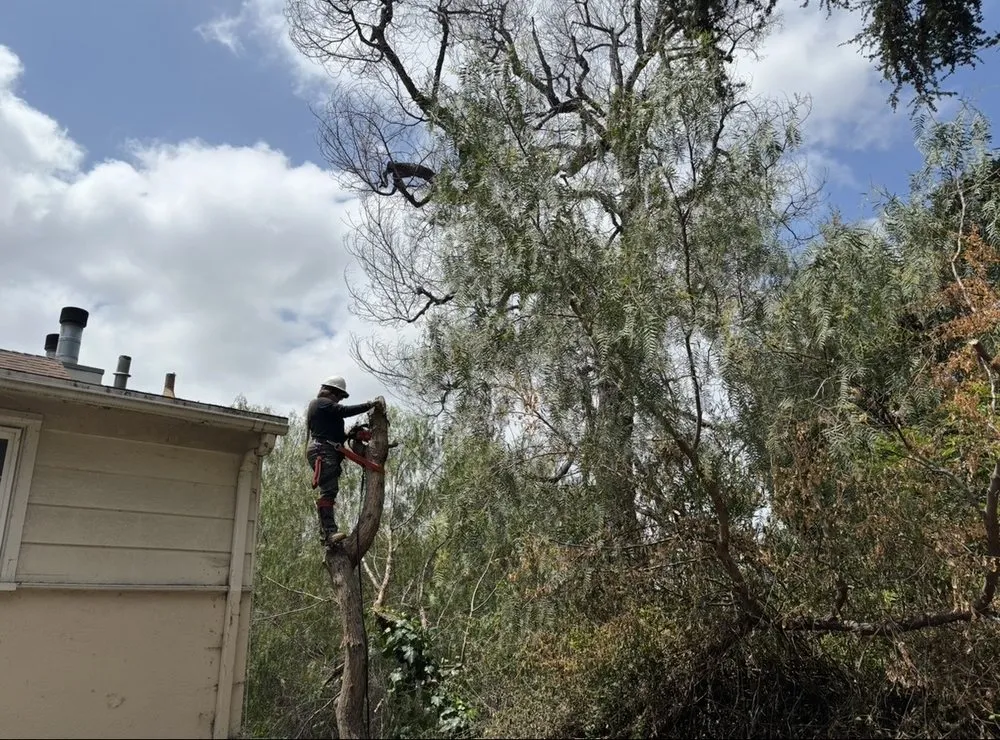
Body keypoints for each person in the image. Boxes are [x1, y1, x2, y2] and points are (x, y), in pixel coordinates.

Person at [306, 376, 382, 545]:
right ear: (331, 392)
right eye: (339, 396)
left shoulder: (326, 410)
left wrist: (351, 434)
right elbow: (343, 411)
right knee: (329, 490)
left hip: (326, 449)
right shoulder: (319, 403)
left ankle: (329, 534)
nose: (340, 400)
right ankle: (329, 533)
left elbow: (336, 434)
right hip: (322, 450)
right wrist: (369, 405)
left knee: (330, 490)